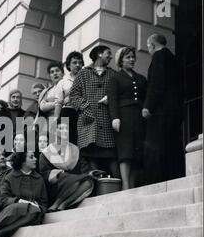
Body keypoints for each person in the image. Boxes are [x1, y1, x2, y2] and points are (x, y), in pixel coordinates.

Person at [69, 45, 120, 178]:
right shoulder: (83, 73)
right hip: (88, 122)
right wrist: (86, 108)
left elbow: (119, 94)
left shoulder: (113, 74)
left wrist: (111, 98)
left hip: (108, 121)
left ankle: (117, 188)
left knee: (112, 157)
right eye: (108, 53)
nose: (111, 56)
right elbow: (73, 95)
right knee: (91, 158)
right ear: (99, 54)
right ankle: (95, 192)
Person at [143, 33, 185, 184]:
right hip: (175, 110)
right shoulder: (174, 58)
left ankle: (157, 181)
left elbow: (157, 84)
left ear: (153, 45)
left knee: (157, 147)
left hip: (161, 110)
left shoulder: (159, 56)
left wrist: (148, 106)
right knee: (172, 145)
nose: (148, 50)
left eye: (148, 47)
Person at [0, 151, 48, 237]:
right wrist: (18, 201)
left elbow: (44, 203)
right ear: (23, 161)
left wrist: (39, 207)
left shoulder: (39, 179)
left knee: (34, 211)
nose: (35, 159)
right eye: (31, 157)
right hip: (13, 213)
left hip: (32, 215)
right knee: (20, 207)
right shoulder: (10, 177)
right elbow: (2, 199)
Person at [108, 46, 147, 190]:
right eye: (128, 57)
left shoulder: (141, 78)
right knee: (126, 152)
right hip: (123, 118)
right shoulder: (115, 77)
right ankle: (125, 185)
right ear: (120, 60)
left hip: (139, 118)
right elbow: (112, 99)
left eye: (133, 57)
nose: (132, 60)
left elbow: (145, 97)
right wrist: (115, 118)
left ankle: (132, 185)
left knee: (137, 153)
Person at [39, 118, 94, 211]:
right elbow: (44, 175)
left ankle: (63, 204)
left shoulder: (75, 149)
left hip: (75, 184)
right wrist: (57, 174)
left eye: (66, 128)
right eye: (61, 128)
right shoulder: (46, 153)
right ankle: (56, 202)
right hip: (56, 187)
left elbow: (83, 169)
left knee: (88, 183)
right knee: (75, 180)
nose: (65, 131)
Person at [54, 51, 85, 144]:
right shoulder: (63, 82)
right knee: (66, 142)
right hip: (67, 112)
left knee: (79, 141)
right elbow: (58, 102)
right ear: (69, 65)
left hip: (81, 113)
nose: (77, 65)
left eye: (80, 62)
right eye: (74, 62)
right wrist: (56, 121)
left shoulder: (86, 80)